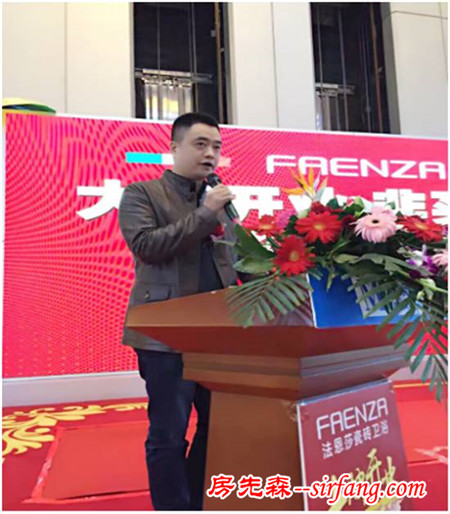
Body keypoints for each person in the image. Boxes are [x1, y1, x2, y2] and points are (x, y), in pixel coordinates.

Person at [118, 112, 239, 510]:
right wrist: (206, 214)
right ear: (174, 147)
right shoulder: (142, 194)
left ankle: (196, 503)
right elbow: (148, 246)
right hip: (164, 336)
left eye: (216, 147)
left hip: (218, 335)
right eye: (200, 144)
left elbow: (237, 259)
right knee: (168, 434)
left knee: (217, 427)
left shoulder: (220, 199)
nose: (210, 154)